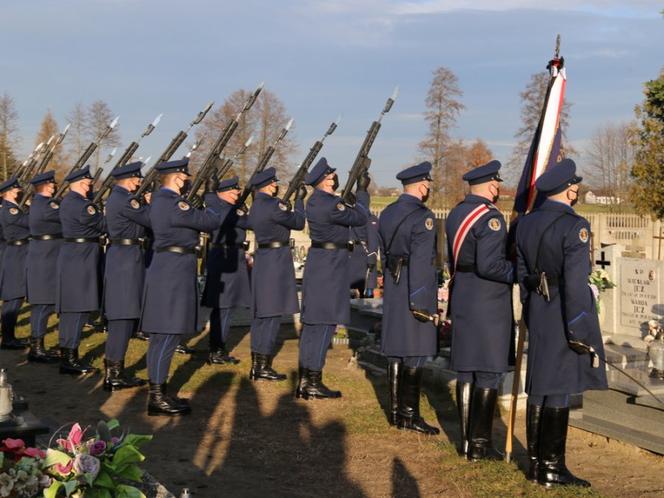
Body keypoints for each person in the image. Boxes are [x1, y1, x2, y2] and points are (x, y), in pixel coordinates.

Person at [516, 158, 608, 488]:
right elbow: (574, 283)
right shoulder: (575, 227)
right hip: (562, 311)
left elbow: (522, 274)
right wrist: (582, 329)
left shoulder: (525, 224)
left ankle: (536, 464)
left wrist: (530, 310)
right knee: (558, 389)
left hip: (539, 309)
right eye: (576, 186)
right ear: (569, 191)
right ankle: (552, 467)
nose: (577, 190)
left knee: (540, 385)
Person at [140, 158, 223, 416]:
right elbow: (212, 221)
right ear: (177, 178)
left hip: (168, 268)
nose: (187, 181)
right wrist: (210, 197)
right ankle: (157, 396)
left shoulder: (161, 201)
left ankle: (158, 392)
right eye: (185, 177)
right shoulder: (173, 203)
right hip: (173, 271)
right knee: (167, 333)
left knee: (161, 336)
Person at [445, 160, 514, 459]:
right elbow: (491, 265)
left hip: (463, 295)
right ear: (492, 185)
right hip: (487, 299)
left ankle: (465, 442)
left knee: (467, 369)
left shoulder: (457, 213)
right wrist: (519, 272)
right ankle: (481, 445)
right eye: (497, 184)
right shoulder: (490, 218)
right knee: (487, 371)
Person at [297, 157, 368, 400]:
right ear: (323, 181)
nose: (334, 180)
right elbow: (361, 217)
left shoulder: (316, 201)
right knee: (324, 324)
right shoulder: (328, 203)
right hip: (329, 266)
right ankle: (313, 381)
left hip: (322, 263)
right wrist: (362, 192)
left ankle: (305, 379)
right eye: (330, 177)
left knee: (313, 325)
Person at [378, 161, 439, 435]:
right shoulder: (422, 217)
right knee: (415, 349)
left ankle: (394, 412)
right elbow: (423, 264)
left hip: (393, 282)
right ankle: (409, 414)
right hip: (414, 286)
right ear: (422, 185)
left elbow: (382, 250)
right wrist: (423, 304)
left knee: (395, 348)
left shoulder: (388, 212)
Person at [247, 167, 305, 381]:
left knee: (261, 314)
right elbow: (299, 223)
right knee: (271, 314)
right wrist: (299, 203)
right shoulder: (273, 205)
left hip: (263, 256)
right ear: (268, 185)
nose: (276, 186)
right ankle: (262, 366)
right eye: (273, 183)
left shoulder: (256, 206)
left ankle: (256, 363)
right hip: (276, 258)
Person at [102, 161, 150, 391]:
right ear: (129, 179)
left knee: (122, 315)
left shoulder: (117, 197)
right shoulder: (126, 200)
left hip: (123, 255)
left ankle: (113, 369)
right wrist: (149, 205)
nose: (140, 182)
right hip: (126, 259)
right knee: (122, 315)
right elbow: (149, 220)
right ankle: (114, 373)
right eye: (137, 178)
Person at [55, 165, 104, 375]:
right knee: (78, 308)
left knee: (71, 308)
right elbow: (103, 224)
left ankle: (67, 352)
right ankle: (70, 358)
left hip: (74, 254)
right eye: (89, 183)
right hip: (81, 256)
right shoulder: (81, 204)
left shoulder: (69, 201)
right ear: (83, 183)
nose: (90, 186)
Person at [201, 177, 249, 365]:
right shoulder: (218, 207)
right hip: (223, 255)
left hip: (233, 254)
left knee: (227, 307)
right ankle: (216, 350)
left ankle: (218, 347)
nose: (237, 194)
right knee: (223, 306)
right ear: (222, 193)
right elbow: (223, 220)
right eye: (233, 191)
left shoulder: (226, 207)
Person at [25, 170, 62, 362]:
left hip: (44, 256)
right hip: (45, 259)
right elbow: (64, 217)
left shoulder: (39, 203)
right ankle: (36, 349)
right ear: (46, 186)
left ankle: (37, 346)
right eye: (52, 184)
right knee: (43, 305)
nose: (54, 187)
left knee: (43, 304)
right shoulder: (46, 204)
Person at [0, 176, 30, 350]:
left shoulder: (13, 208)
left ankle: (9, 336)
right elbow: (27, 223)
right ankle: (8, 338)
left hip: (17, 253)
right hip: (16, 254)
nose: (19, 191)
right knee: (13, 297)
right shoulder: (10, 210)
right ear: (10, 191)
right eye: (17, 189)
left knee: (15, 297)